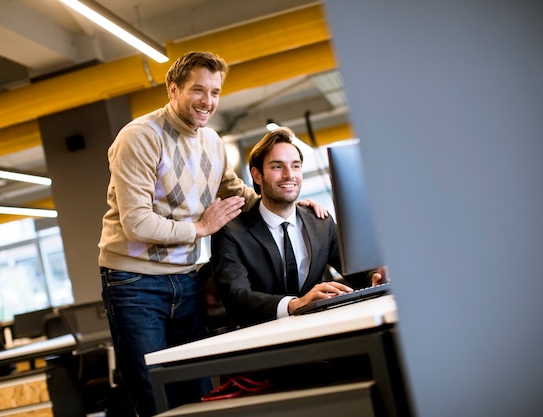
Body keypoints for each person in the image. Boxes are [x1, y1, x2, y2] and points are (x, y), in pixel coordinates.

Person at [98, 51, 327, 417]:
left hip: (185, 280)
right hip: (134, 282)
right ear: (173, 90)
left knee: (201, 390)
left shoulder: (211, 142)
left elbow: (239, 194)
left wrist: (290, 205)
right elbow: (136, 223)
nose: (208, 101)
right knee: (154, 395)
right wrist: (200, 229)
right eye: (198, 90)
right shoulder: (140, 137)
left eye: (215, 92)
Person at [211, 127, 387, 328]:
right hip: (262, 338)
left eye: (295, 166)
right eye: (277, 167)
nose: (289, 175)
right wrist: (294, 305)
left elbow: (356, 270)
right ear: (257, 175)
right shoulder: (231, 232)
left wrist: (376, 275)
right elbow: (237, 296)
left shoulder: (320, 222)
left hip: (319, 329)